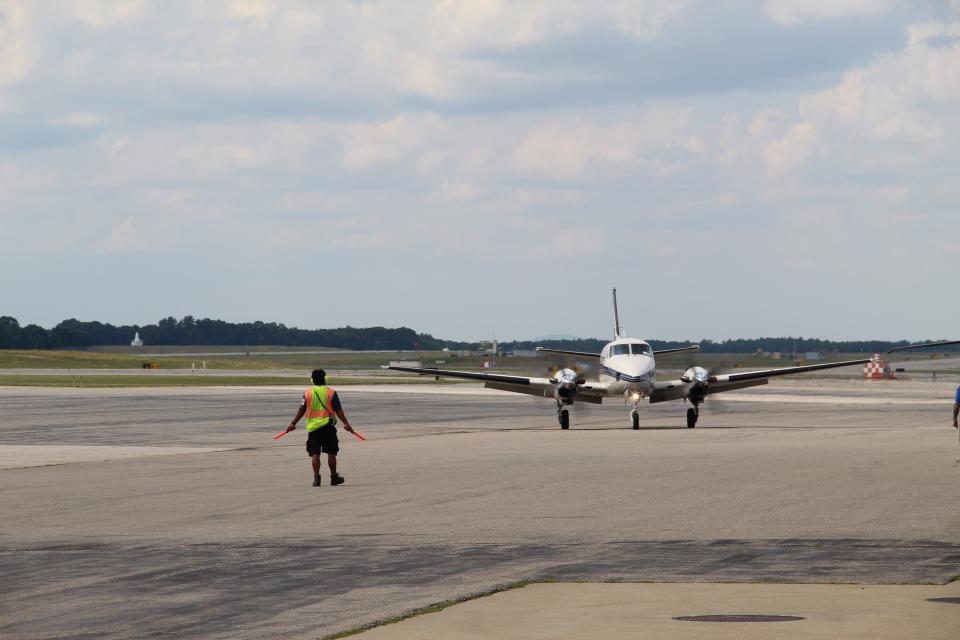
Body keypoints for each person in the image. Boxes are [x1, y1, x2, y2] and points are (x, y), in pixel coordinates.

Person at [285, 369, 357, 486]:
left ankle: (316, 479)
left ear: (312, 380)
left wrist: (293, 423)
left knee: (315, 453)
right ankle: (334, 477)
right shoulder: (331, 393)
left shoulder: (307, 393)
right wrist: (346, 424)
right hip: (328, 426)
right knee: (331, 452)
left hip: (313, 428)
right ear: (325, 379)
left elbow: (301, 409)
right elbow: (338, 410)